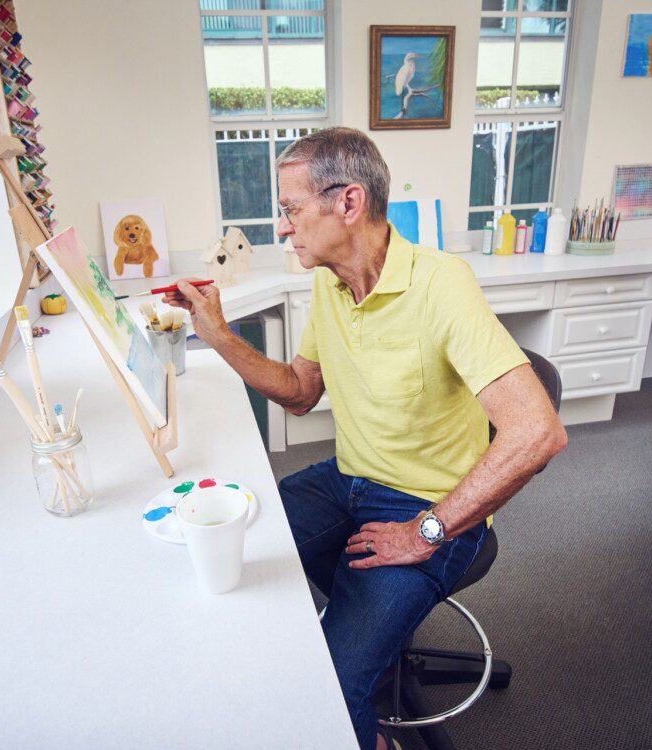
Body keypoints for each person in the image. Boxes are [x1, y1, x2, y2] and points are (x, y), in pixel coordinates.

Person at [163, 127, 567, 750]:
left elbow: (538, 432)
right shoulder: (329, 280)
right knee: (225, 550)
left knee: (331, 680)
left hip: (429, 507)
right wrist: (217, 335)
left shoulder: (441, 284)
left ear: (347, 203)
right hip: (347, 479)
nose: (283, 229)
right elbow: (300, 391)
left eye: (292, 210)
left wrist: (427, 529)